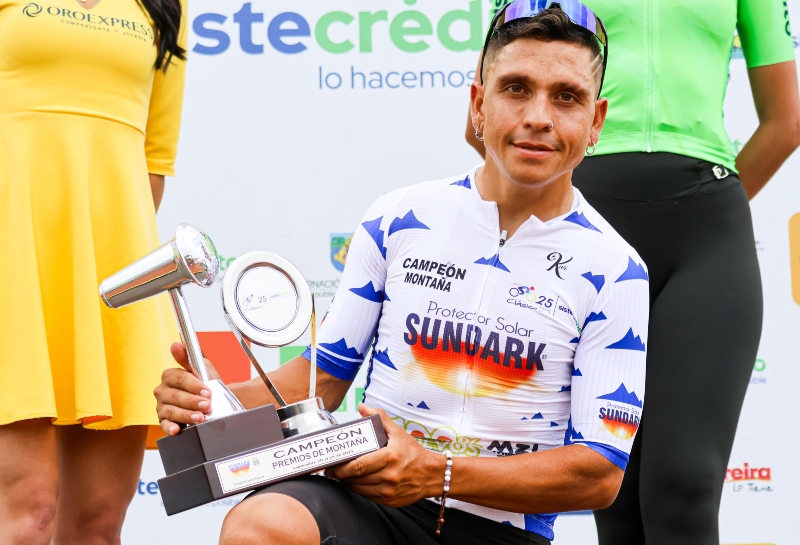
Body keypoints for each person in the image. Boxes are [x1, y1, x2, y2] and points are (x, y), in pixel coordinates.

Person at [154, 4, 650, 544]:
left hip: (500, 531)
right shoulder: (400, 217)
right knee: (262, 525)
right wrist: (215, 403)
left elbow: (599, 473)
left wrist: (438, 473)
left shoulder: (616, 270)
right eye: (516, 89)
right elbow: (320, 382)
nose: (538, 117)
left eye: (566, 97)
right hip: (371, 507)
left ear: (595, 121)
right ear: (478, 104)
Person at [467, 1, 800, 544]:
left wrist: (709, 206)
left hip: (705, 233)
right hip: (587, 230)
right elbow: (488, 118)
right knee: (609, 487)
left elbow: (786, 122)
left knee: (686, 485)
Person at [0, 0, 187, 543]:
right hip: (12, 258)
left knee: (97, 526)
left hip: (114, 269)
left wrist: (106, 264)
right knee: (29, 515)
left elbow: (154, 161)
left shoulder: (167, 5)